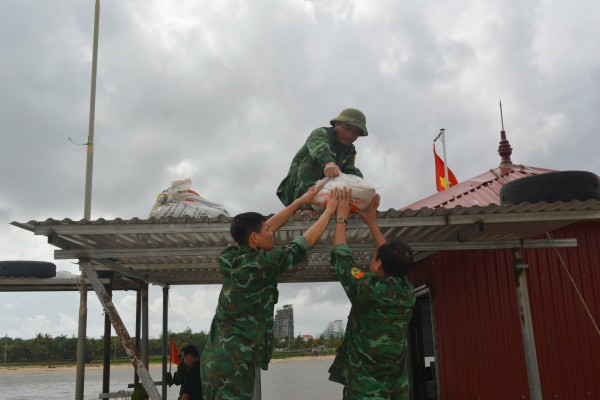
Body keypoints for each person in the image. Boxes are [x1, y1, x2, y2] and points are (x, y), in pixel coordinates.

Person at [200, 186, 341, 400]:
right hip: (234, 362)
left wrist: (300, 201)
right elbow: (304, 243)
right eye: (266, 230)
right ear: (255, 238)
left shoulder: (230, 255)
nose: (272, 233)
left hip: (215, 357)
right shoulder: (263, 263)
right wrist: (330, 211)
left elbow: (269, 226)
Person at [328, 189, 416, 400]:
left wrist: (341, 217)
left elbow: (341, 257)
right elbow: (393, 261)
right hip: (396, 391)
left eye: (375, 257)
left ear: (378, 265)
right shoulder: (406, 291)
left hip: (364, 391)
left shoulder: (366, 288)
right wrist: (372, 223)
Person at [276, 108, 368, 214]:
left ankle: (341, 208)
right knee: (315, 163)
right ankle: (305, 207)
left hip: (324, 196)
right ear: (337, 124)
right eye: (347, 128)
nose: (350, 135)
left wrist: (364, 188)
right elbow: (320, 148)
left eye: (355, 133)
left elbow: (350, 171)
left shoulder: (349, 149)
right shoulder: (321, 133)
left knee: (354, 178)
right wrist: (329, 163)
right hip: (295, 191)